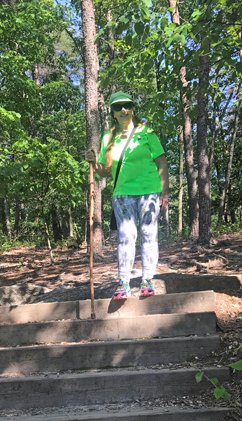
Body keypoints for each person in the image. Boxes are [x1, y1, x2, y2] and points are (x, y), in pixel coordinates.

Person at [85, 91, 169, 299]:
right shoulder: (108, 137)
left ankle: (147, 280)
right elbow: (104, 171)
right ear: (112, 112)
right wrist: (93, 163)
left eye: (127, 105)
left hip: (149, 192)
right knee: (126, 237)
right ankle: (123, 282)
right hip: (122, 194)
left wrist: (165, 191)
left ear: (132, 109)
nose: (123, 110)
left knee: (149, 235)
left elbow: (162, 163)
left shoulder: (147, 133)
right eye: (117, 106)